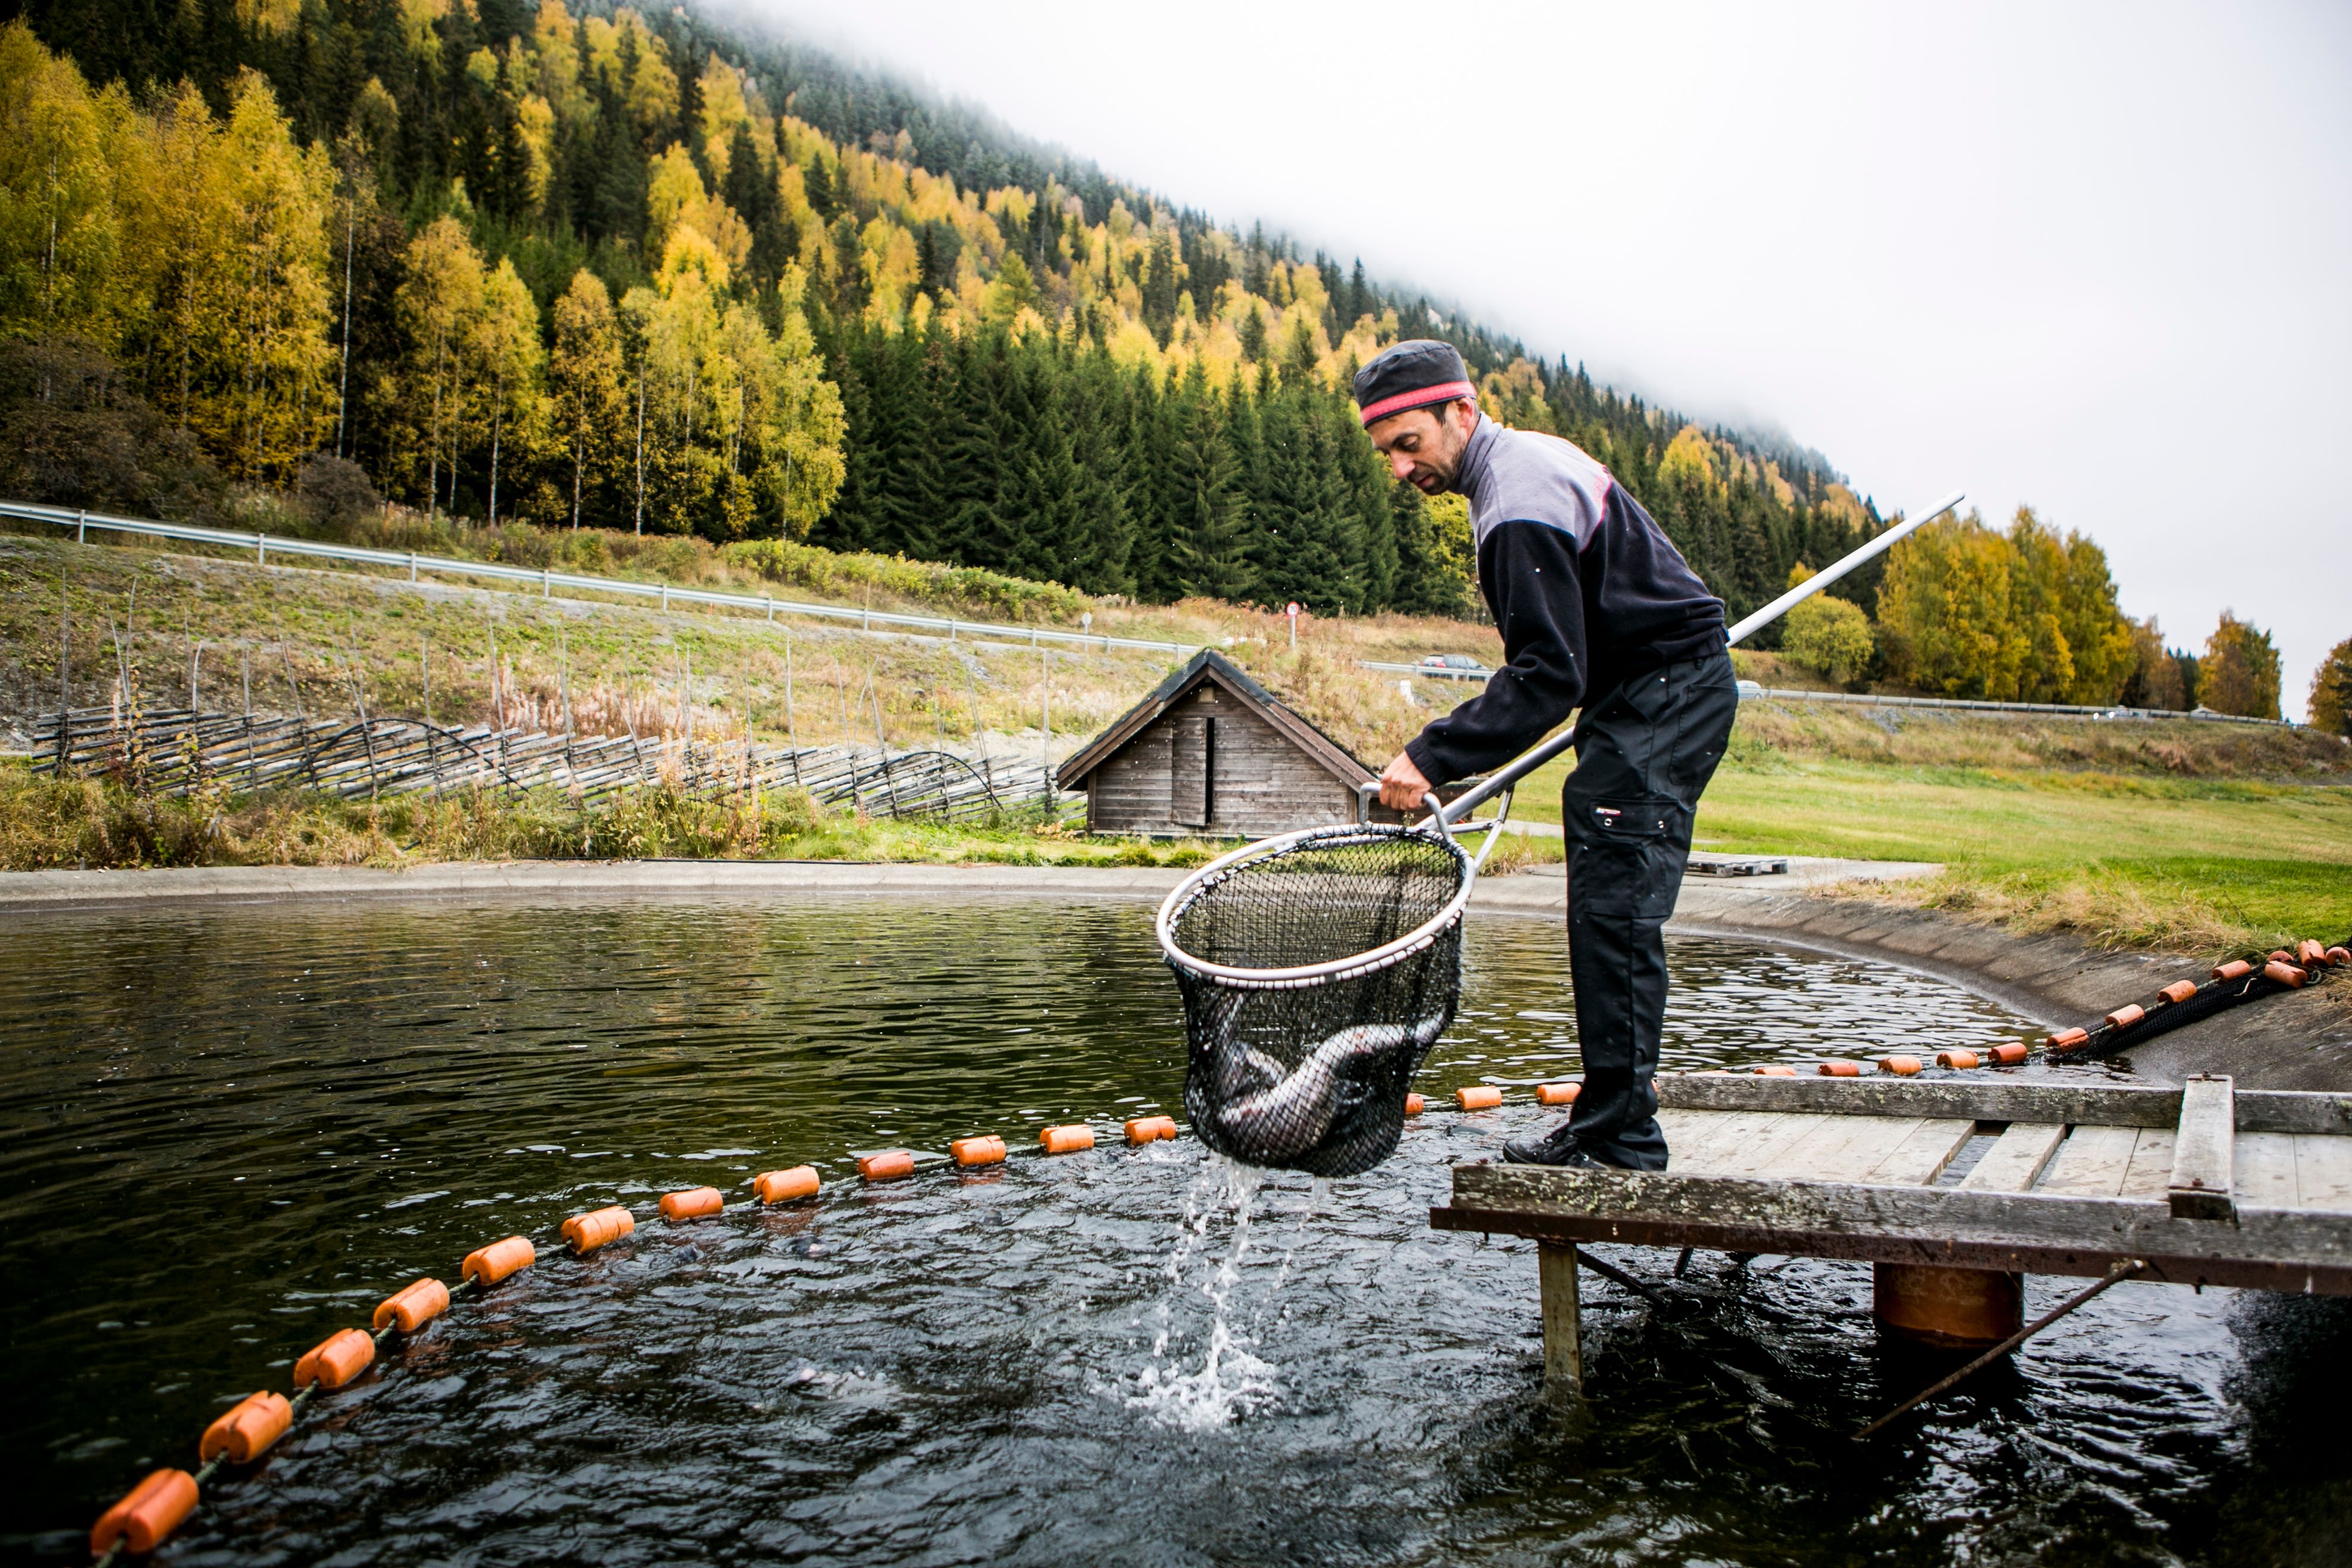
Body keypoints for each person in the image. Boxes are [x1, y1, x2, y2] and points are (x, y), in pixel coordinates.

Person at [1360, 340, 1737, 1171]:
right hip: (1637, 691)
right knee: (1604, 897)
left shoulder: (1516, 495)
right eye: (1386, 452)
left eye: (1408, 445)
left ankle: (1622, 1139)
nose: (1398, 469)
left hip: (1667, 692)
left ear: (1461, 411)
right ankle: (1609, 1120)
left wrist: (1428, 755)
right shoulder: (1516, 465)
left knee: (1615, 910)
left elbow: (1544, 675)